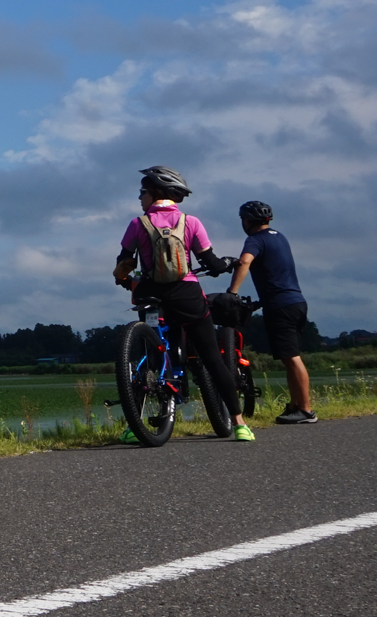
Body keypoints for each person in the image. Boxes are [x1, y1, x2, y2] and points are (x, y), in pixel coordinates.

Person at [113, 166, 253, 442]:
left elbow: (123, 263)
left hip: (150, 294)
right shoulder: (191, 222)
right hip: (186, 294)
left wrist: (125, 279)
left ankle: (135, 424)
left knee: (151, 356)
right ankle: (239, 425)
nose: (140, 197)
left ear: (156, 193)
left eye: (142, 192)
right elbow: (210, 263)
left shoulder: (137, 224)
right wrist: (224, 265)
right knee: (213, 359)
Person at [229, 200, 315, 424]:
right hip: (296, 302)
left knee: (292, 358)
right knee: (290, 358)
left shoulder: (255, 239)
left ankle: (306, 410)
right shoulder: (280, 237)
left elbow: (244, 262)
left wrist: (232, 291)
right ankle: (296, 405)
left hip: (281, 306)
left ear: (247, 221)